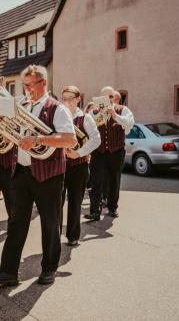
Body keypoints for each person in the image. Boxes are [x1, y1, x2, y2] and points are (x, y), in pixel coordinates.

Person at [0, 65, 76, 286]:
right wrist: (3, 129)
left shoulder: (57, 108)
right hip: (21, 173)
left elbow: (69, 140)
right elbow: (15, 135)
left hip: (49, 175)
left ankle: (49, 269)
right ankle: (7, 272)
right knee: (16, 223)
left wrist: (38, 140)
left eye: (30, 85)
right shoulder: (22, 105)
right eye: (24, 85)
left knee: (50, 223)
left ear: (43, 83)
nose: (26, 89)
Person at [85, 88, 134, 221]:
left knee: (114, 180)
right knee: (96, 181)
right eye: (105, 97)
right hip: (98, 151)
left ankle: (112, 208)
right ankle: (95, 211)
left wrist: (115, 116)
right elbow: (87, 128)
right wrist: (97, 116)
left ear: (114, 98)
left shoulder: (122, 110)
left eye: (110, 97)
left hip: (116, 151)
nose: (109, 100)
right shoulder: (93, 112)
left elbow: (129, 124)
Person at [61, 86, 101, 247]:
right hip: (60, 165)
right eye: (64, 98)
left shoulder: (85, 118)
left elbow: (96, 139)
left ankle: (72, 236)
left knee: (75, 203)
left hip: (79, 166)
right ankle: (53, 238)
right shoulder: (59, 116)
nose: (67, 101)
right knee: (57, 203)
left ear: (78, 99)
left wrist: (79, 153)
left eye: (71, 98)